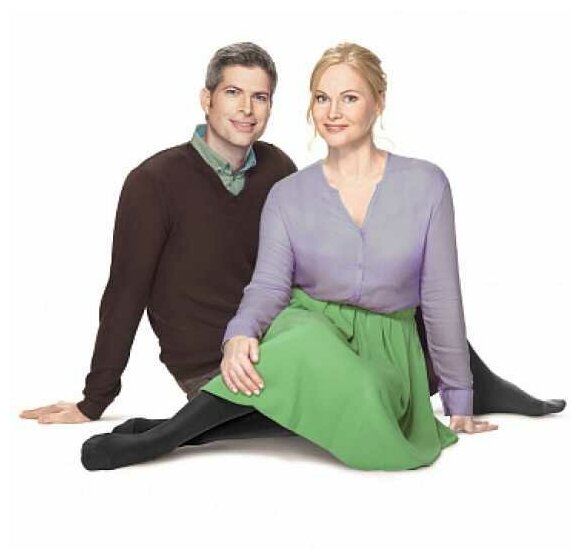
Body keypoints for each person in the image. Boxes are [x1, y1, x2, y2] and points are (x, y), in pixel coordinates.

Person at [20, 42, 564, 445]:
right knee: (330, 400)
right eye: (233, 93)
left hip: (292, 332)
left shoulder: (277, 168)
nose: (246, 109)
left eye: (260, 97)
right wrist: (95, 399)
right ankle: (175, 431)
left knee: (395, 296)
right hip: (220, 359)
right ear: (206, 98)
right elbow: (125, 292)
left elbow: (303, 263)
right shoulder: (154, 182)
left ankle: (473, 382)